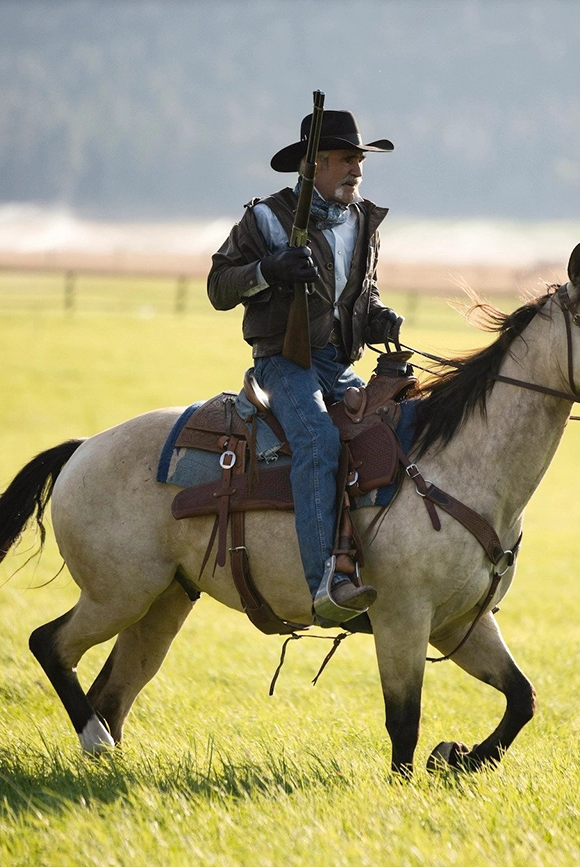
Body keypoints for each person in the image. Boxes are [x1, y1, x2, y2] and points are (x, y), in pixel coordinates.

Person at [207, 109, 403, 623]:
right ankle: (326, 582)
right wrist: (268, 270)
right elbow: (219, 286)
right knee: (317, 439)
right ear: (313, 164)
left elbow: (362, 294)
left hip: (338, 365)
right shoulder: (266, 218)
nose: (356, 170)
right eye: (345, 159)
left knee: (395, 427)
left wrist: (378, 319)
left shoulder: (362, 221)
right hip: (282, 365)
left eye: (360, 159)